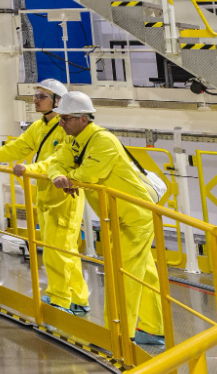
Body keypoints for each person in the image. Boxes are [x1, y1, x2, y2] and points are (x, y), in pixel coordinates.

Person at [31, 92, 168, 349]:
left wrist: (68, 178)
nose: (61, 123)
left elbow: (89, 174)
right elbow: (54, 164)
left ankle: (116, 336)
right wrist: (63, 176)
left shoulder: (103, 141)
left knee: (122, 275)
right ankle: (153, 329)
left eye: (66, 119)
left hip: (134, 217)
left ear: (83, 119)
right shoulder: (76, 141)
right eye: (60, 118)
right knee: (144, 274)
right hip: (117, 216)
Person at [0, 78, 87, 315]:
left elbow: (57, 160)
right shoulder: (39, 127)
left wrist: (31, 169)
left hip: (64, 198)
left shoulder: (67, 128)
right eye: (35, 95)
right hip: (47, 197)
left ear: (57, 101)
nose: (35, 100)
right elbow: (17, 147)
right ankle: (78, 298)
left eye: (41, 96)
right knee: (63, 251)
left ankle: (62, 300)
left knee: (58, 252)